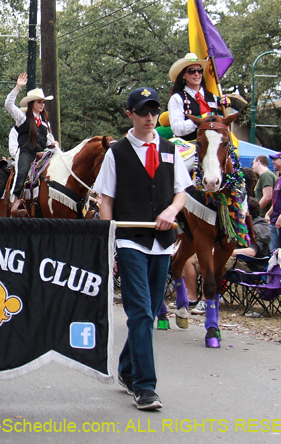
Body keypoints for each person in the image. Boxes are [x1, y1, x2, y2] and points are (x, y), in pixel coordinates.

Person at [93, 87, 191, 411]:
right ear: (130, 115)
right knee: (141, 312)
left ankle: (125, 369)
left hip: (162, 244)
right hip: (129, 239)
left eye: (153, 112)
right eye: (142, 112)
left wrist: (171, 212)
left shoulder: (169, 150)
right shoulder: (116, 153)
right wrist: (110, 245)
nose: (149, 118)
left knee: (145, 315)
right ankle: (145, 387)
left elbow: (180, 193)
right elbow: (105, 201)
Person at [4, 73, 57, 201]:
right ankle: (15, 201)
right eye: (39, 102)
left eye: (43, 102)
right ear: (32, 103)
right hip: (26, 153)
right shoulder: (23, 118)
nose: (42, 104)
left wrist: (53, 146)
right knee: (22, 173)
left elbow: (49, 142)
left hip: (42, 155)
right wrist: (18, 87)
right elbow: (8, 105)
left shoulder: (45, 123)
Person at [160, 53, 228, 140]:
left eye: (199, 70)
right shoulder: (177, 98)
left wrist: (225, 108)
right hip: (188, 146)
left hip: (212, 144)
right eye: (192, 71)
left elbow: (221, 122)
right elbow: (177, 129)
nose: (197, 74)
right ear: (183, 75)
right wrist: (200, 120)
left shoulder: (212, 97)